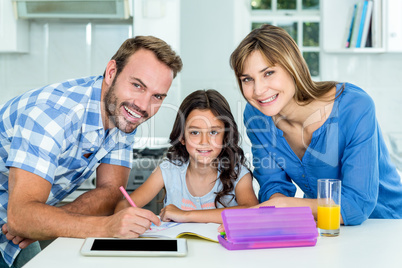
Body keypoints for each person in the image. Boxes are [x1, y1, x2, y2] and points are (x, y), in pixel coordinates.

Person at [0, 35, 183, 267]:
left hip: (13, 237)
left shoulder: (123, 115)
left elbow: (112, 192)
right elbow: (21, 217)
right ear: (111, 72)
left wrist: (44, 222)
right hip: (12, 225)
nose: (144, 106)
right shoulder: (52, 115)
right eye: (137, 85)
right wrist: (107, 226)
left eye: (157, 96)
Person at [229, 24, 402, 226]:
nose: (258, 90)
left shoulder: (355, 107)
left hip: (387, 226)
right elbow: (272, 185)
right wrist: (277, 202)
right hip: (324, 225)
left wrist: (285, 206)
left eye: (268, 73)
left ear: (293, 67)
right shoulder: (256, 116)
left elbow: (356, 205)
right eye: (247, 79)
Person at [115, 89, 258, 223]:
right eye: (195, 132)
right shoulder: (168, 169)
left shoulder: (239, 175)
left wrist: (186, 215)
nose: (204, 142)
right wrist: (126, 217)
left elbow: (252, 212)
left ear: (225, 136)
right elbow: (125, 204)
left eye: (213, 132)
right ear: (182, 137)